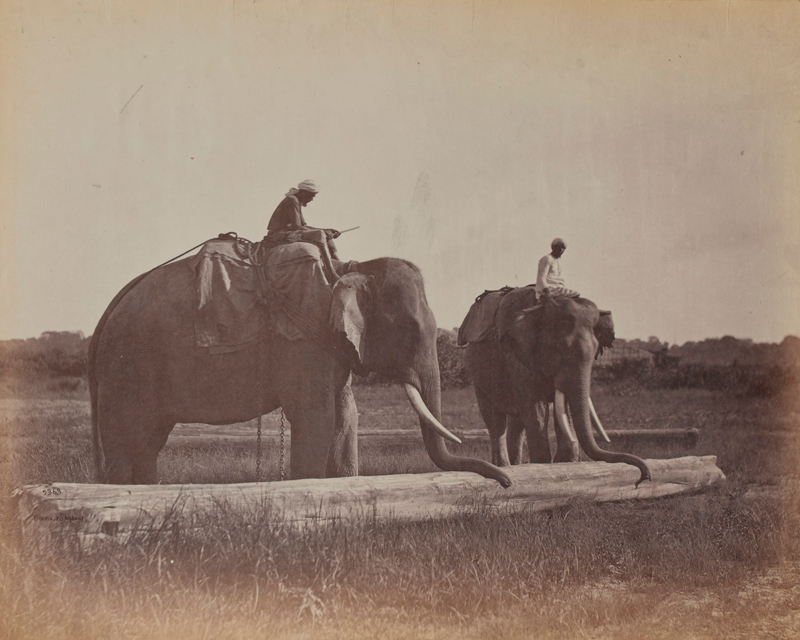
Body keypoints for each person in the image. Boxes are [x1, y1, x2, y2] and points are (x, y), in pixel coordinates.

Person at [267, 180, 341, 281]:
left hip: (288, 232)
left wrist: (326, 231)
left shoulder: (297, 201)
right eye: (312, 195)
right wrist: (322, 231)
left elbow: (303, 225)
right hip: (278, 235)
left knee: (325, 235)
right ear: (304, 192)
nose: (312, 199)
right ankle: (331, 272)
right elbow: (297, 227)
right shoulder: (292, 200)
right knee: (320, 234)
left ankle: (338, 265)